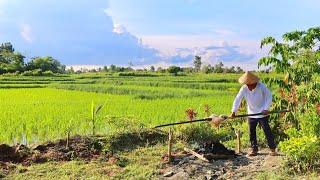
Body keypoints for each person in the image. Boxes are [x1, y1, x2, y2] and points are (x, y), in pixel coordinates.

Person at [230, 71, 277, 156]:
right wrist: (234, 111)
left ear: (255, 82)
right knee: (252, 132)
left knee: (267, 130)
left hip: (263, 112)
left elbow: (269, 96)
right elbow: (238, 99)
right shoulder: (244, 88)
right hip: (251, 113)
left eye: (251, 84)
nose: (249, 86)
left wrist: (266, 108)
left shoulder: (261, 86)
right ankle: (254, 149)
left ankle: (272, 149)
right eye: (248, 84)